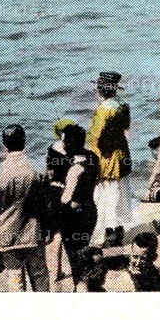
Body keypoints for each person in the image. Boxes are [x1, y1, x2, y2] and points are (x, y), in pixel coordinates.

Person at [0, 125, 49, 292]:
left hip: (6, 235)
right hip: (34, 233)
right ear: (24, 142)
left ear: (4, 144)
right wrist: (48, 229)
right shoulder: (39, 170)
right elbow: (48, 204)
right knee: (40, 276)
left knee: (15, 280)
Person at [46, 121, 100, 291]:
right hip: (90, 210)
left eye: (64, 142)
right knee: (84, 252)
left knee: (76, 261)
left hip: (73, 217)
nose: (62, 145)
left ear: (69, 144)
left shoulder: (74, 170)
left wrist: (56, 188)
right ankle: (87, 286)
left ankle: (80, 289)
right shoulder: (92, 157)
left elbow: (66, 198)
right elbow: (95, 179)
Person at [85, 71, 132, 248]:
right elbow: (125, 128)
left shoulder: (103, 109)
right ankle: (118, 231)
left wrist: (91, 161)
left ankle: (110, 235)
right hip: (122, 154)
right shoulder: (123, 105)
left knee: (107, 196)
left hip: (107, 157)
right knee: (120, 194)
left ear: (100, 90)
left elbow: (95, 138)